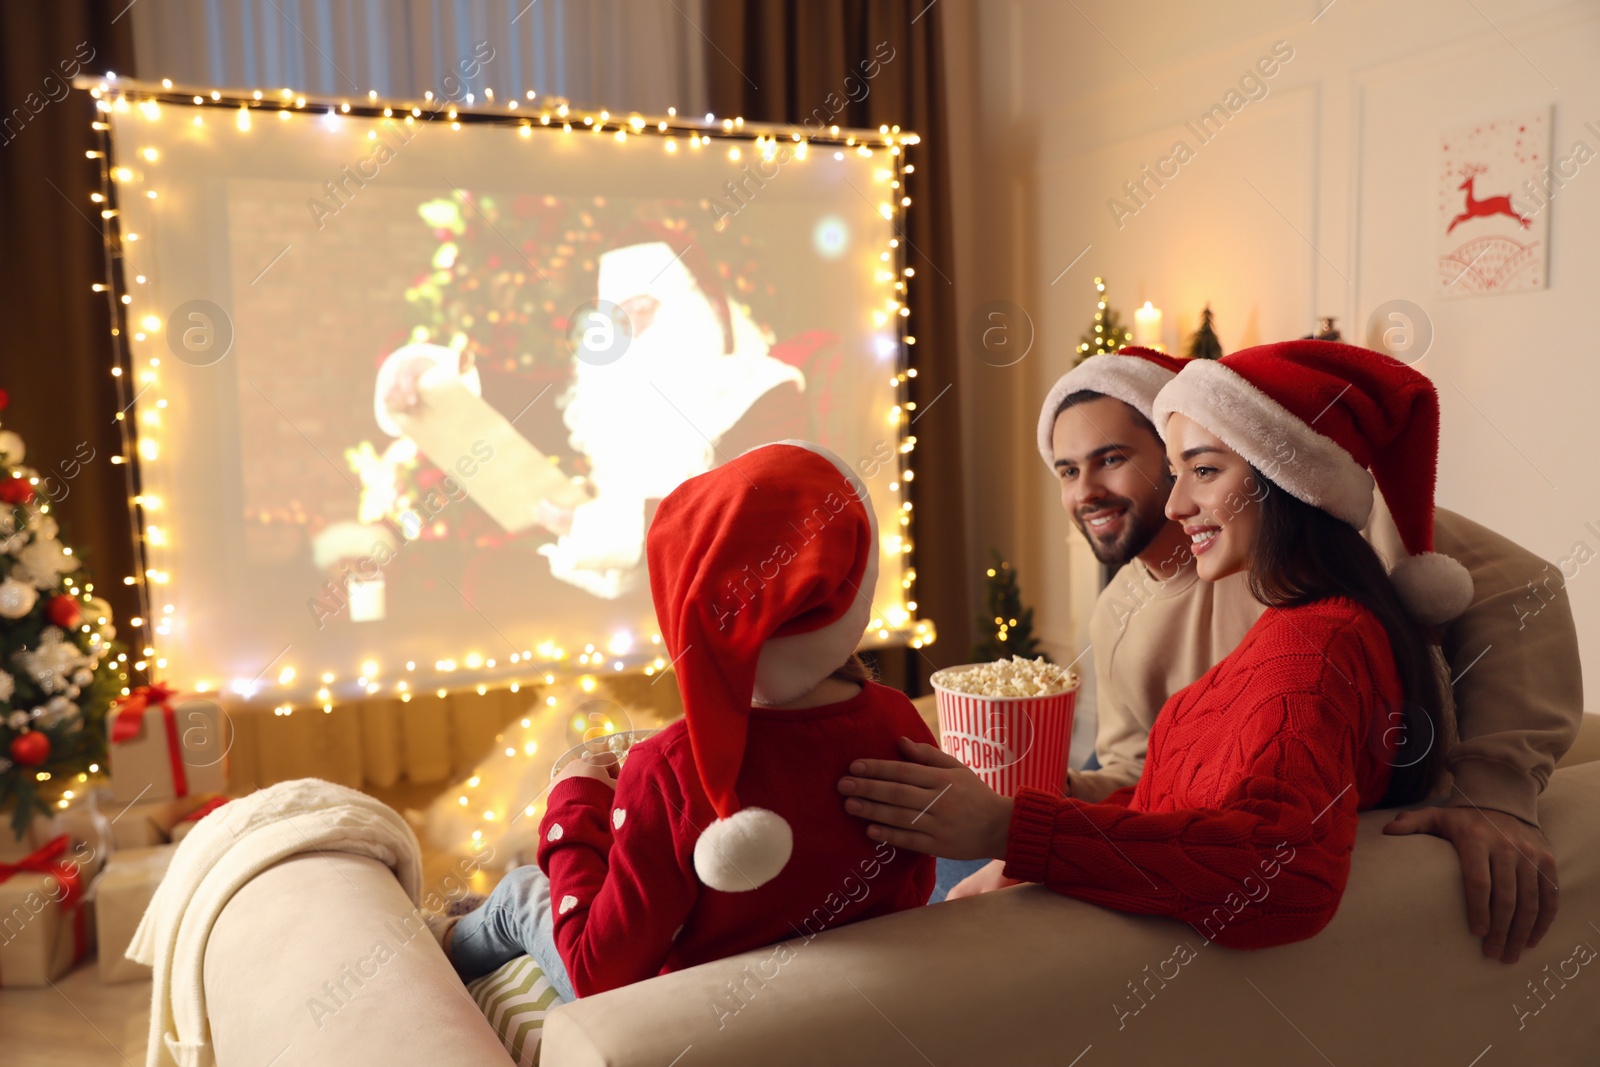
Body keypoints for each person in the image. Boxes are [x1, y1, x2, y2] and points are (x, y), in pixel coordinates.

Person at [837, 341, 1504, 950]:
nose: (1180, 504)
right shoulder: (1300, 623)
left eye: (1204, 470)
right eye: (1179, 471)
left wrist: (1008, 831)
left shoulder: (1316, 647)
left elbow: (1285, 874)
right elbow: (1171, 797)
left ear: (1290, 481)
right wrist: (1019, 825)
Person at [439, 441, 935, 998]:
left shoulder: (667, 770)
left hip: (688, 1013)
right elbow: (915, 883)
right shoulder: (899, 719)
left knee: (522, 892)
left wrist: (574, 803)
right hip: (853, 1002)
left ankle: (449, 944)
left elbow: (597, 974)